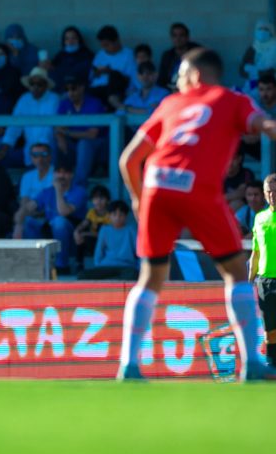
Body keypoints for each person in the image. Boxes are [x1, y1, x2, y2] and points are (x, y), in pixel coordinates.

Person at [118, 47, 276, 381]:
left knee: (150, 277)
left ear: (196, 74)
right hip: (197, 186)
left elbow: (128, 160)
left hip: (156, 185)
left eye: (179, 75)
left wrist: (136, 200)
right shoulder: (232, 100)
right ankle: (250, 364)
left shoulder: (170, 104)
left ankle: (129, 365)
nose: (177, 82)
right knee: (234, 271)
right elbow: (264, 123)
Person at [22, 161, 87, 274]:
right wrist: (26, 210)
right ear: (54, 174)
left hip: (73, 239)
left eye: (65, 173)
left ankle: (62, 265)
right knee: (29, 222)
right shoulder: (47, 191)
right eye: (58, 172)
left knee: (59, 222)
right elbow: (30, 207)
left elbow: (63, 212)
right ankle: (36, 263)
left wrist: (57, 190)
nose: (61, 176)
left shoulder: (79, 191)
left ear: (71, 175)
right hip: (51, 235)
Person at [0, 67, 59, 167]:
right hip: (28, 151)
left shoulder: (54, 99)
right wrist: (4, 149)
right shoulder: (24, 99)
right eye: (32, 84)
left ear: (46, 85)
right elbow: (14, 127)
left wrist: (40, 151)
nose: (35, 87)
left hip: (49, 151)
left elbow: (53, 131)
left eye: (39, 84)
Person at [55, 75, 107, 186]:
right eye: (67, 89)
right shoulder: (65, 103)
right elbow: (58, 128)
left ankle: (79, 186)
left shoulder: (94, 103)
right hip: (73, 144)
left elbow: (92, 134)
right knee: (54, 143)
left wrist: (66, 133)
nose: (70, 92)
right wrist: (60, 137)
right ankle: (54, 184)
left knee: (84, 144)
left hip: (98, 146)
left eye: (73, 88)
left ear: (82, 88)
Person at [249, 174, 276, 366]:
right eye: (269, 192)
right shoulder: (260, 218)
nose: (272, 195)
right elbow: (255, 253)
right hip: (265, 281)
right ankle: (271, 363)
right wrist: (249, 281)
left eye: (275, 191)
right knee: (270, 329)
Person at [77, 200, 138, 280]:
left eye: (121, 215)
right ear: (109, 216)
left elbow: (139, 252)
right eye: (114, 214)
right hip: (106, 266)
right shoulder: (105, 230)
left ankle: (115, 278)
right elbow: (99, 251)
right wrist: (98, 265)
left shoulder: (131, 230)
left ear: (126, 216)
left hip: (126, 266)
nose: (117, 218)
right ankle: (115, 278)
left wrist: (138, 267)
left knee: (133, 275)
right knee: (82, 275)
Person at [12, 142, 54, 239]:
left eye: (43, 155)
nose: (39, 159)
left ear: (50, 157)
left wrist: (24, 214)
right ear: (31, 157)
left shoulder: (56, 174)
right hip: (30, 214)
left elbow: (49, 205)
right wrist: (23, 213)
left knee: (24, 220)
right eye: (35, 155)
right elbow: (24, 201)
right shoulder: (27, 176)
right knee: (23, 218)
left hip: (50, 216)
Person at [73, 184, 111, 272]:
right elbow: (84, 224)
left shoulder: (110, 214)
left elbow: (103, 234)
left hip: (106, 241)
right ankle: (79, 263)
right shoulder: (91, 212)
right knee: (80, 238)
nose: (98, 201)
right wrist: (76, 231)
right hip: (93, 240)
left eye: (101, 198)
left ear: (107, 200)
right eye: (95, 198)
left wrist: (85, 234)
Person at [47, 25, 94, 93]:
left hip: (81, 91)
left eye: (73, 38)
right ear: (64, 41)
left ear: (79, 39)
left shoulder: (87, 55)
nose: (70, 41)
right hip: (62, 91)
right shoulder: (60, 56)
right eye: (67, 39)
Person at [158, 22, 200, 90]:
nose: (178, 38)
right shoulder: (167, 56)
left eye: (181, 35)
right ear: (171, 38)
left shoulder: (196, 54)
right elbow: (161, 80)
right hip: (171, 92)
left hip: (191, 91)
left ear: (187, 37)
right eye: (175, 35)